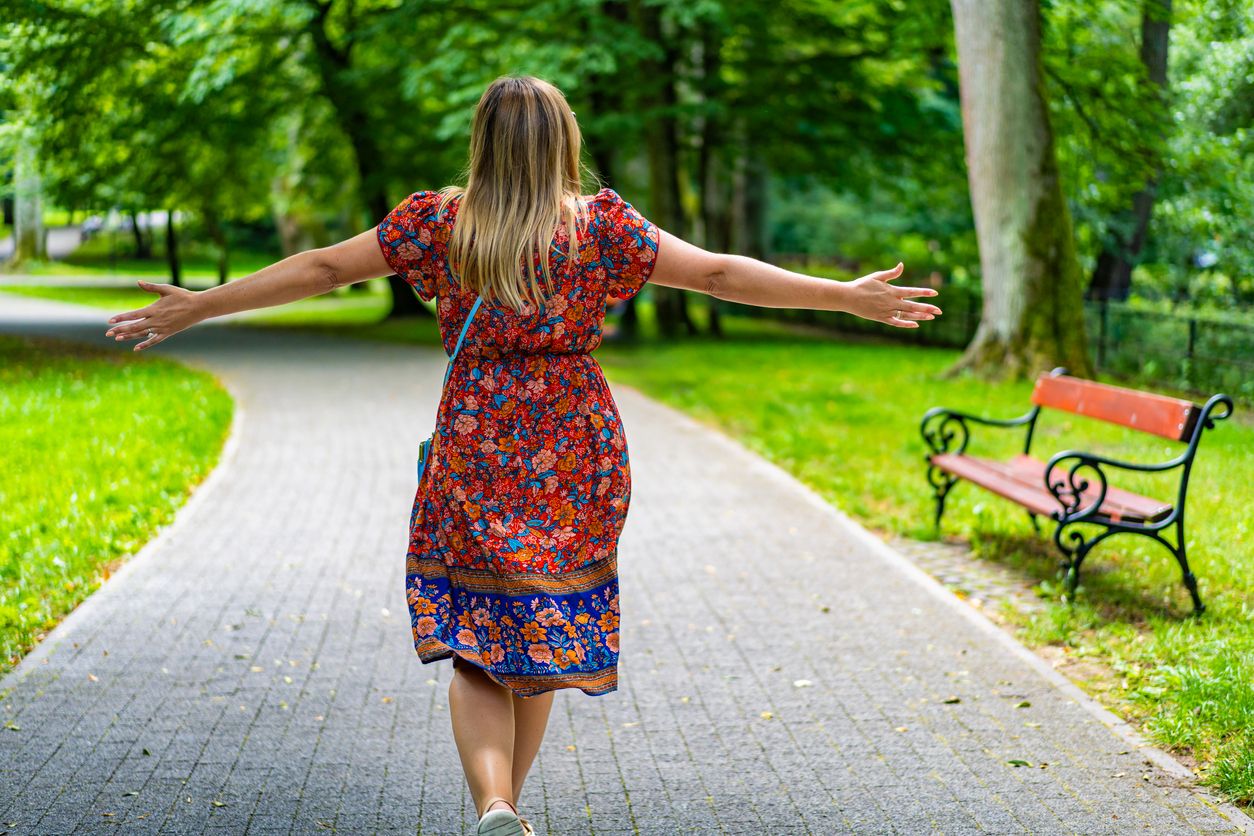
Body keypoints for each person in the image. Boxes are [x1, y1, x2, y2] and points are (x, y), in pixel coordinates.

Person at [104, 75, 941, 836]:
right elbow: (719, 274)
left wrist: (202, 306)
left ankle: (496, 807)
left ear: (483, 143)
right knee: (541, 637)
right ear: (564, 144)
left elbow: (324, 268)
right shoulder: (602, 229)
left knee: (477, 634)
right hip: (576, 446)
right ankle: (508, 813)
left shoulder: (439, 223)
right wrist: (844, 297)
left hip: (476, 443)